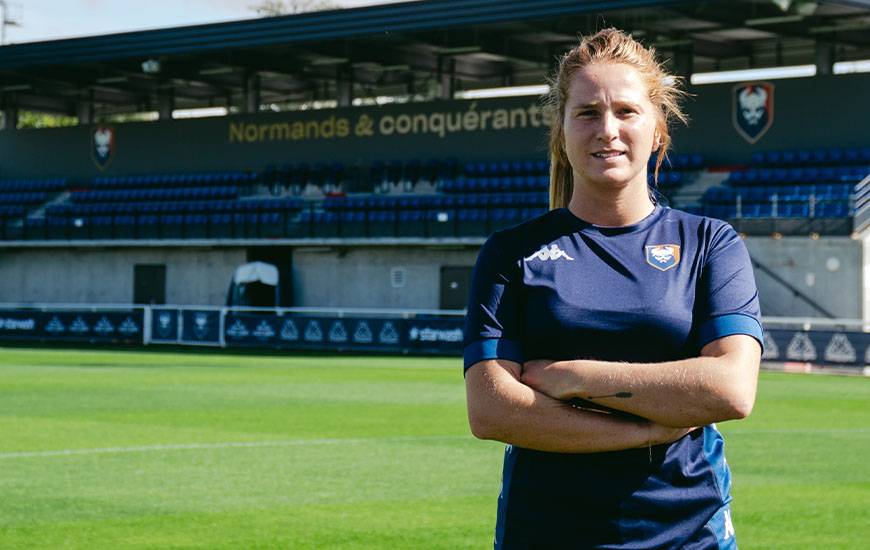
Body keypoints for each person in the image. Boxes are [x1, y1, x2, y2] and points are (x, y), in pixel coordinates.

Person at [463, 28, 763, 549]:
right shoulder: (510, 252)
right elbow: (490, 410)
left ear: (658, 130)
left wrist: (576, 376)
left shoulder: (710, 243)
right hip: (546, 533)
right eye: (586, 113)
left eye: (626, 111)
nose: (608, 129)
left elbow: (731, 390)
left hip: (688, 534)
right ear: (560, 130)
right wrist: (646, 432)